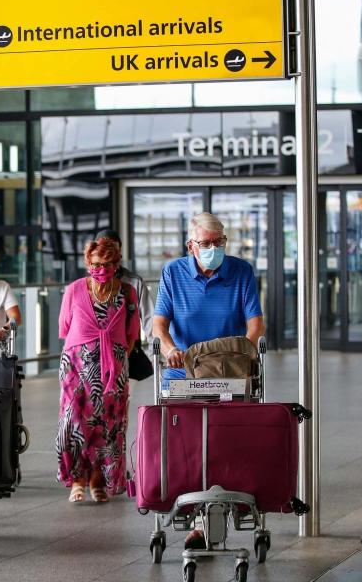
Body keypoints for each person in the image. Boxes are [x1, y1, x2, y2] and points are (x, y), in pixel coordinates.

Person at [151, 212, 265, 548]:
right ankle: (200, 519)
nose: (213, 248)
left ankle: (218, 509)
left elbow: (255, 326)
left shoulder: (240, 271)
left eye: (219, 243)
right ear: (191, 245)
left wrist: (243, 354)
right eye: (206, 243)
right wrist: (170, 348)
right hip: (182, 374)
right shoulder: (173, 273)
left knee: (225, 445)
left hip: (230, 375)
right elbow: (159, 324)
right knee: (189, 449)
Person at [56, 238, 140, 504]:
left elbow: (132, 334)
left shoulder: (127, 292)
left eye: (106, 264)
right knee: (74, 423)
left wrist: (115, 362)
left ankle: (97, 480)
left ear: (116, 265)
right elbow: (65, 327)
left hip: (113, 370)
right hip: (76, 367)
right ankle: (76, 478)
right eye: (94, 264)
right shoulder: (74, 289)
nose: (99, 269)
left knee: (108, 425)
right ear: (87, 263)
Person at [94, 229, 155, 341]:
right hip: (95, 352)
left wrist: (153, 357)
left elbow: (151, 324)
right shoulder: (85, 287)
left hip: (130, 350)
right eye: (104, 249)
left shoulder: (134, 283)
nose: (109, 254)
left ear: (120, 252)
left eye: (113, 249)